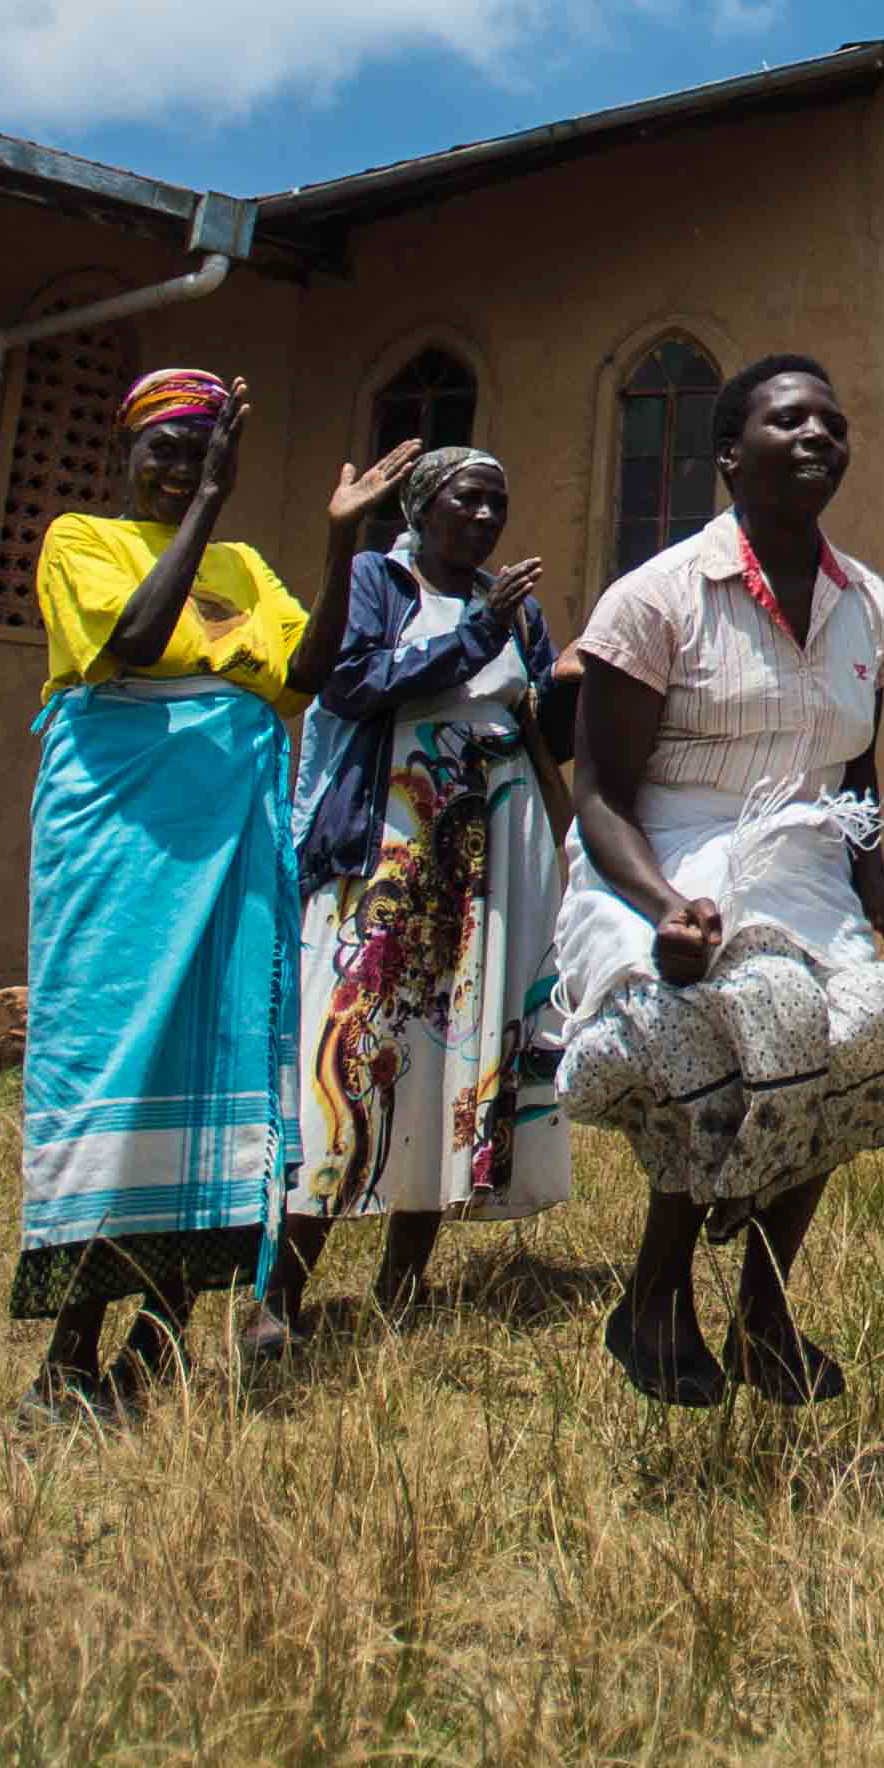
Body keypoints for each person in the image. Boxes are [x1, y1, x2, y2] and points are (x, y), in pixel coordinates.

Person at [555, 356, 884, 1406]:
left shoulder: (869, 603)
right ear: (730, 453)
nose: (819, 433)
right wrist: (664, 908)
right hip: (667, 853)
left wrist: (878, 889)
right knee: (753, 1015)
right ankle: (654, 1290)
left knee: (859, 1032)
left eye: (833, 419)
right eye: (789, 419)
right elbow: (597, 793)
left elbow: (852, 769)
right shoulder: (657, 596)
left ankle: (765, 1309)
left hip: (809, 860)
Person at [14, 369, 312, 1419]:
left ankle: (157, 1341)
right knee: (118, 1054)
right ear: (126, 453)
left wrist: (346, 543)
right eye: (167, 450)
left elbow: (300, 672)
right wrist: (207, 505)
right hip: (125, 833)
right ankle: (63, 1358)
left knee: (222, 1052)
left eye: (202, 452)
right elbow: (134, 642)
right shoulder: (78, 538)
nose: (183, 469)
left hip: (232, 827)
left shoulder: (244, 566)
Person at [265, 443, 575, 1338]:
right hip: (392, 850)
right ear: (422, 506)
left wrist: (587, 679)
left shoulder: (509, 608)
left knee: (459, 1056)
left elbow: (539, 720)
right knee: (354, 1046)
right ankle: (281, 1291)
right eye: (468, 503)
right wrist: (479, 638)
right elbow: (351, 682)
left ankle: (403, 1284)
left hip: (494, 859)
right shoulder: (379, 580)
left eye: (497, 507)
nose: (483, 521)